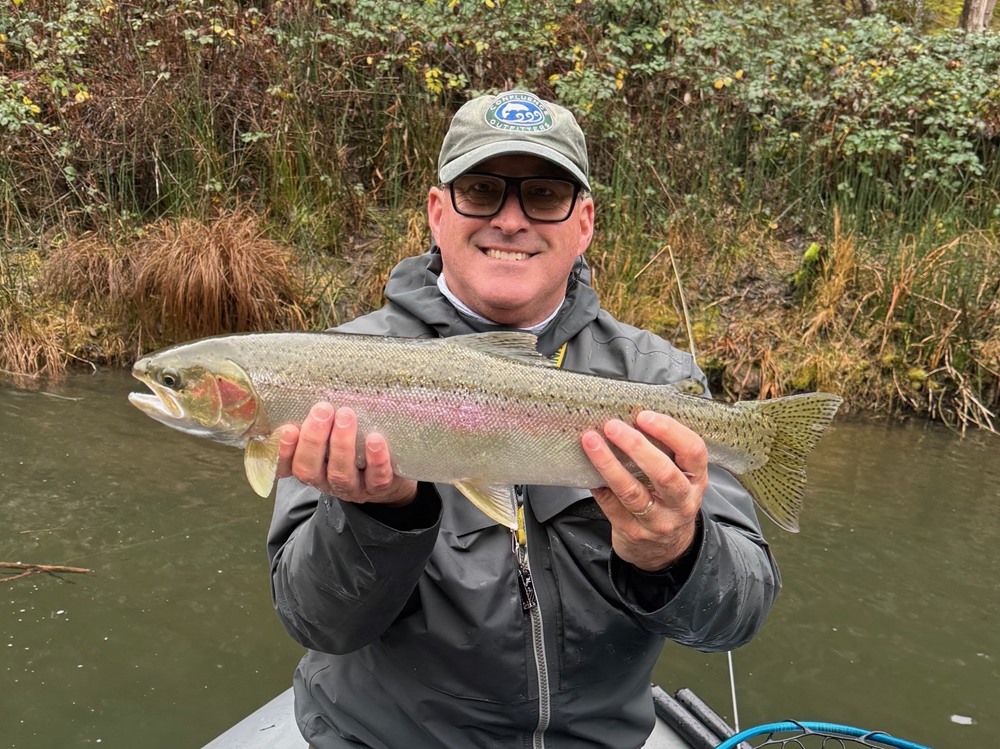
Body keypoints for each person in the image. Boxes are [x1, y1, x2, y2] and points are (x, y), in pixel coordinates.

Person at [267, 90, 780, 749]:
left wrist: (672, 552)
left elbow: (734, 619)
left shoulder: (654, 377)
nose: (510, 219)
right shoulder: (337, 373)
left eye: (543, 195)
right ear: (436, 211)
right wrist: (376, 518)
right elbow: (316, 621)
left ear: (585, 221)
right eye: (481, 190)